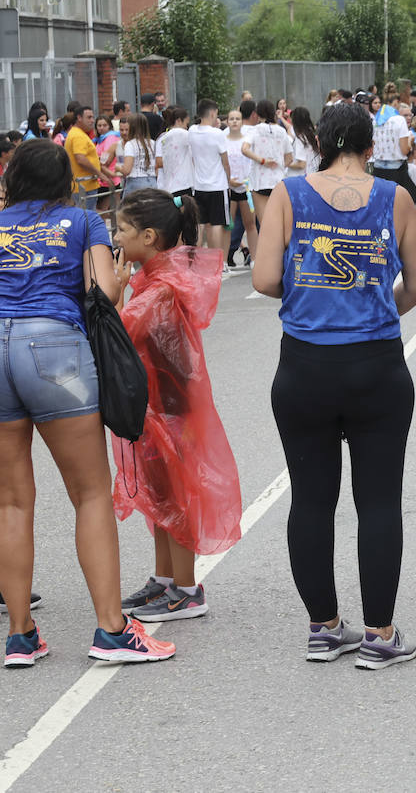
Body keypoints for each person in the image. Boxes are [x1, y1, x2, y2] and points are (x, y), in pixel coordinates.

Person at [252, 102, 416, 668]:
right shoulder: (394, 197)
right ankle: (380, 634)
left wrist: (315, 299)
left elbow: (263, 278)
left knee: (310, 500)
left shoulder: (288, 194)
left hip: (304, 365)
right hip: (377, 364)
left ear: (321, 142)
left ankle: (325, 627)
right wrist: (375, 306)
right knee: (378, 501)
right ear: (369, 145)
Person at [1, 140, 177, 667]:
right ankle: (111, 629)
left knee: (10, 500)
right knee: (91, 494)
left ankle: (20, 635)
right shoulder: (81, 223)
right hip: (56, 348)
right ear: (63, 183)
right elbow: (103, 294)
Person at [110, 190, 242, 622]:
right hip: (157, 407)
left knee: (177, 497)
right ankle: (164, 580)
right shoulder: (153, 277)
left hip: (171, 411)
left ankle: (187, 590)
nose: (116, 235)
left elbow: (119, 335)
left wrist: (110, 293)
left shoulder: (161, 288)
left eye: (122, 229)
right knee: (159, 496)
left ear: (148, 237)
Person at [187, 100, 233, 268]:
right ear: (213, 113)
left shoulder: (191, 131)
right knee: (216, 224)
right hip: (217, 185)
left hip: (199, 186)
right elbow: (225, 162)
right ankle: (217, 262)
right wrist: (228, 181)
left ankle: (195, 262)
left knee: (199, 224)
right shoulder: (217, 134)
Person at [243, 99, 292, 234]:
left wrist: (262, 161)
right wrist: (280, 166)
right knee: (279, 223)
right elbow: (289, 158)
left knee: (265, 224)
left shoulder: (254, 130)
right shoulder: (281, 132)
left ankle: (267, 253)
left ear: (257, 114)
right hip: (279, 181)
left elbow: (244, 149)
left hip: (259, 182)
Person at [222, 108, 258, 265]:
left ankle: (255, 259)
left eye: (237, 119)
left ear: (242, 121)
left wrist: (246, 181)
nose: (234, 121)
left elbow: (253, 163)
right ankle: (222, 261)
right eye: (231, 119)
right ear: (227, 122)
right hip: (228, 187)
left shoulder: (248, 140)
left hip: (246, 187)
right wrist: (229, 180)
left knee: (250, 224)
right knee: (227, 225)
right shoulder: (222, 139)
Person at [64, 105, 114, 210]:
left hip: (83, 185)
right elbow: (81, 159)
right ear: (79, 118)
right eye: (89, 117)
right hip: (83, 187)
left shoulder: (78, 134)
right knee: (86, 219)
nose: (92, 120)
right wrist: (100, 174)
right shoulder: (78, 135)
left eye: (92, 117)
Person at [155, 107, 193, 196]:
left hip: (169, 185)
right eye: (186, 124)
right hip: (183, 184)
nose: (186, 127)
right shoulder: (182, 133)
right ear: (179, 121)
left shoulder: (164, 137)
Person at [286, 107, 320, 176]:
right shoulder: (312, 135)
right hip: (312, 175)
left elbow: (301, 164)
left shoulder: (300, 139)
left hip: (299, 178)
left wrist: (286, 164)